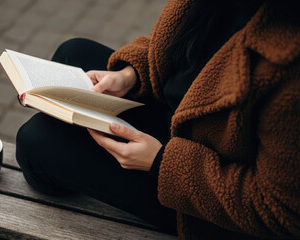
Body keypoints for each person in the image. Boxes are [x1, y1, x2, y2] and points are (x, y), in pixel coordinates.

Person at [15, 0, 300, 239]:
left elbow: (281, 211)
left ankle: (56, 172)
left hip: (198, 191)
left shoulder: (290, 71)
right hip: (181, 118)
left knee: (35, 141)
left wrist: (161, 162)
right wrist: (129, 75)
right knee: (72, 52)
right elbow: (183, 47)